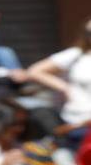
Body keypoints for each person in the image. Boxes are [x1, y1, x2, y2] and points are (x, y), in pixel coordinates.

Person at [28, 16, 91, 150]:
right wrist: (64, 87)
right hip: (79, 123)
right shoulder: (76, 55)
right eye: (89, 32)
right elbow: (35, 71)